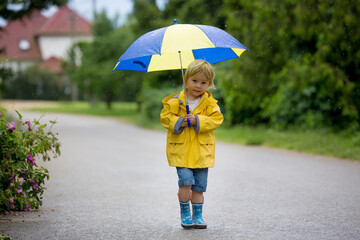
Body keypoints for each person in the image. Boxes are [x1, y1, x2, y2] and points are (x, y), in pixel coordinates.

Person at [160, 60, 224, 229]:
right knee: (185, 181)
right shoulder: (175, 101)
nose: (198, 85)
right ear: (186, 80)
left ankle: (198, 215)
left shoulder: (210, 104)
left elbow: (217, 120)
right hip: (181, 150)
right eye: (194, 81)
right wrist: (180, 121)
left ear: (209, 84)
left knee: (199, 186)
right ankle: (185, 212)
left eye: (203, 82)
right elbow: (165, 118)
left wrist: (198, 120)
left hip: (202, 152)